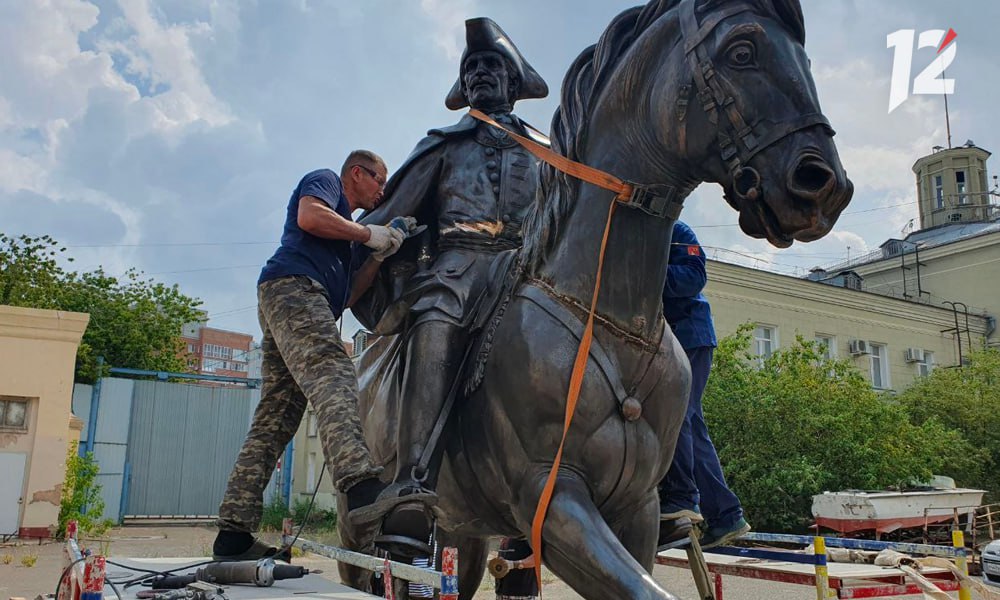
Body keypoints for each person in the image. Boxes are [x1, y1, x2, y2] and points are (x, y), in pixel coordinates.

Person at [348, 17, 549, 554]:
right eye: (471, 67)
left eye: (491, 65)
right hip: (457, 269)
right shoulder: (442, 145)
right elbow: (390, 213)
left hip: (530, 271)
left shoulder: (549, 152)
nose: (480, 72)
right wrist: (343, 249)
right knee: (435, 324)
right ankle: (412, 486)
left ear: (513, 82)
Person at [212, 150, 412, 561]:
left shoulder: (348, 235)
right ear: (356, 173)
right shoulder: (326, 182)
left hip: (293, 295)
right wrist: (368, 235)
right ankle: (359, 484)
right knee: (333, 373)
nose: (382, 190)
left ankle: (233, 534)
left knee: (278, 415)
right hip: (295, 288)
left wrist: (379, 254)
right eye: (379, 179)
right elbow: (309, 217)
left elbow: (348, 296)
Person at [657, 221, 750, 550]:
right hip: (661, 339)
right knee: (690, 423)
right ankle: (725, 515)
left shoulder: (676, 231)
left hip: (690, 335)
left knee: (679, 414)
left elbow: (694, 276)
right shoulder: (625, 230)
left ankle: (684, 498)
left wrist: (645, 271)